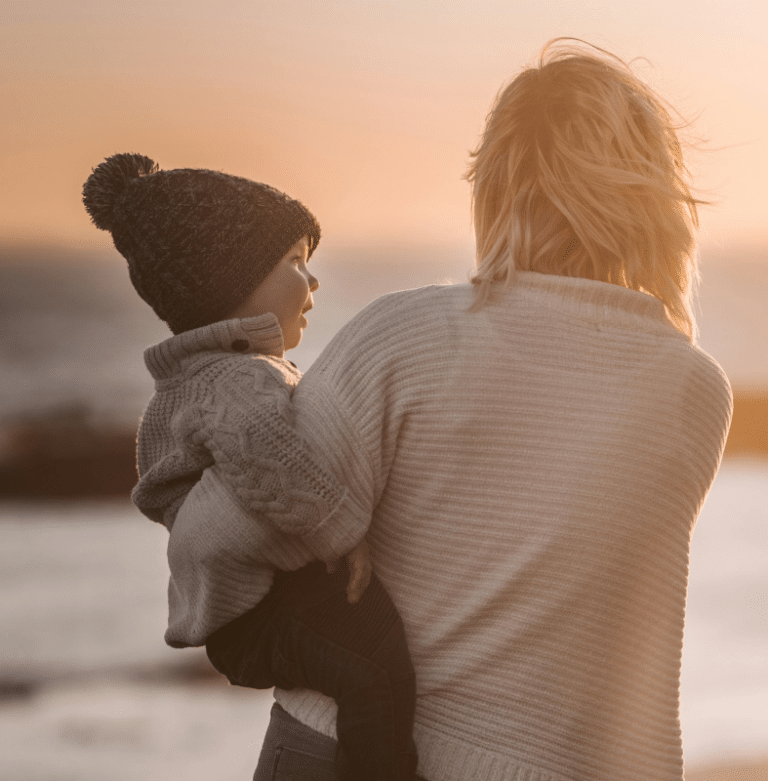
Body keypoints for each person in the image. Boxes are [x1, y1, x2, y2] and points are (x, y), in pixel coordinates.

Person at [251, 39, 733, 780]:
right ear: (651, 197)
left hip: (335, 747)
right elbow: (635, 666)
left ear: (497, 184)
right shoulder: (693, 390)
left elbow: (260, 530)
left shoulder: (401, 333)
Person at [81, 155, 418, 781]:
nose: (313, 281)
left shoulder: (204, 375)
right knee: (372, 661)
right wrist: (346, 538)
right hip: (255, 619)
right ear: (227, 282)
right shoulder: (234, 382)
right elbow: (279, 469)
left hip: (249, 609)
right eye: (293, 261)